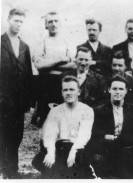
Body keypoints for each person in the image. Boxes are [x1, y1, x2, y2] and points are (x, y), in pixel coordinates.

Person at [88, 75, 133, 178]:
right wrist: (105, 137)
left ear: (126, 91)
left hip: (129, 151)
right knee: (97, 159)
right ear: (109, 89)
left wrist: (116, 138)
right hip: (107, 152)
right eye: (114, 88)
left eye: (121, 89)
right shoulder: (98, 111)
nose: (117, 92)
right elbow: (95, 136)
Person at [32, 76, 94, 178]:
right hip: (59, 148)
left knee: (76, 164)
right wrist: (51, 152)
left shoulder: (87, 110)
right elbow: (50, 135)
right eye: (65, 90)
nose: (68, 93)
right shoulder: (54, 111)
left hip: (78, 148)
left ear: (78, 92)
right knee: (39, 161)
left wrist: (73, 152)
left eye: (72, 89)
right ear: (62, 92)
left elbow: (84, 135)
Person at [0, 8, 33, 178]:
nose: (18, 24)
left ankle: (11, 169)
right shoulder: (1, 42)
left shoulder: (25, 47)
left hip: (19, 102)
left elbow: (27, 74)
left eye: (21, 21)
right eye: (16, 21)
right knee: (3, 135)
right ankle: (7, 170)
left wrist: (28, 101)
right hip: (3, 101)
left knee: (17, 136)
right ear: (8, 20)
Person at [32, 11, 76, 127]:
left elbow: (73, 65)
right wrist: (61, 59)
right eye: (50, 21)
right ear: (45, 25)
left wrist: (49, 63)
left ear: (60, 23)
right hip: (46, 85)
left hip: (63, 84)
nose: (53, 24)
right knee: (46, 122)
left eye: (56, 21)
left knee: (64, 121)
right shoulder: (41, 42)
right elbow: (39, 66)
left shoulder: (67, 42)